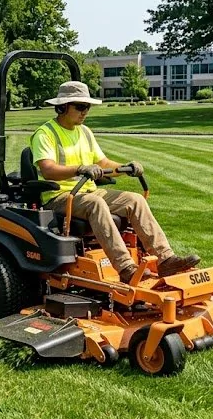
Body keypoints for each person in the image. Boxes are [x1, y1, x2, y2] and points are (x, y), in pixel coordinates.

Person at [31, 80, 200, 284]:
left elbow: (103, 163)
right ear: (63, 106)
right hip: (60, 197)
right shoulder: (45, 133)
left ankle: (165, 259)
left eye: (88, 107)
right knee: (96, 204)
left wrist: (126, 167)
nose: (85, 112)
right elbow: (47, 170)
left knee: (135, 199)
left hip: (87, 192)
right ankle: (126, 268)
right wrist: (79, 168)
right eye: (81, 107)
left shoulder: (84, 132)